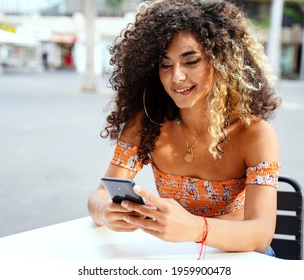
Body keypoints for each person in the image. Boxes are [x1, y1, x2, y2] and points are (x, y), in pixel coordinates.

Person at [87, 0, 281, 257]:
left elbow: (260, 234)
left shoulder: (255, 134)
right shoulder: (147, 123)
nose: (176, 76)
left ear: (222, 62)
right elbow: (100, 194)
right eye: (165, 65)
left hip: (238, 257)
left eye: (191, 62)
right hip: (173, 255)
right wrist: (105, 212)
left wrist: (195, 229)